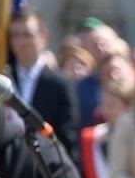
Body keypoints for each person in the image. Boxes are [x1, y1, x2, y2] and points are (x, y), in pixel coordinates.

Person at [7, 9, 82, 165]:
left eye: (27, 35)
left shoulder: (61, 84)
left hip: (48, 166)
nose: (21, 42)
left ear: (44, 37)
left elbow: (67, 135)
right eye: (15, 35)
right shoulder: (4, 81)